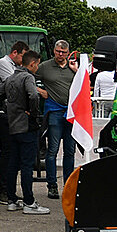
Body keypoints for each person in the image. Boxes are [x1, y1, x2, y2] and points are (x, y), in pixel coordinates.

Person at [2, 50, 50, 214]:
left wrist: (10, 111)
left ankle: (12, 199)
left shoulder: (10, 78)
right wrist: (33, 113)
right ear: (32, 64)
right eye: (37, 65)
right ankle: (29, 202)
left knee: (13, 164)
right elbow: (34, 96)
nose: (37, 68)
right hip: (27, 127)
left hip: (13, 125)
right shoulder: (28, 77)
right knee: (27, 165)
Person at [35, 39, 79, 200]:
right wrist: (40, 90)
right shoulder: (45, 67)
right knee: (52, 150)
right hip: (53, 111)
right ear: (54, 51)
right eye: (58, 51)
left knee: (70, 151)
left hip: (71, 114)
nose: (60, 55)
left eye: (64, 52)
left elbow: (84, 83)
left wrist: (77, 71)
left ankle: (68, 185)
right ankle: (52, 185)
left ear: (68, 53)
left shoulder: (73, 67)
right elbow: (27, 75)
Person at [0, 41, 28, 204]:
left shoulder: (15, 66)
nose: (23, 60)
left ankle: (8, 189)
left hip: (8, 113)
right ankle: (2, 191)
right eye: (23, 56)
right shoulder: (3, 63)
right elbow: (16, 84)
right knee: (8, 150)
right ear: (15, 52)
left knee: (11, 150)